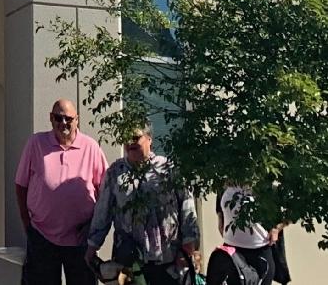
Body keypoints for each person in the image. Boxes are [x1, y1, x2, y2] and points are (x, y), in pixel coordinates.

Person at [84, 125, 197, 285]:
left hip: (167, 257)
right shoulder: (115, 172)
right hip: (129, 260)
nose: (130, 142)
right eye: (126, 139)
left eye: (135, 138)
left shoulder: (168, 169)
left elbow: (187, 205)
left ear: (149, 139)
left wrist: (189, 243)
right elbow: (103, 212)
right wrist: (92, 246)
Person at [15, 99, 107, 285]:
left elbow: (105, 191)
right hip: (42, 235)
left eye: (68, 118)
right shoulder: (36, 143)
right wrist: (27, 222)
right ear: (51, 118)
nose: (63, 122)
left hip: (80, 239)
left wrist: (93, 226)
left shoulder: (91, 147)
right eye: (58, 117)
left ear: (77, 120)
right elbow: (21, 184)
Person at [207, 188, 278, 285]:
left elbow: (289, 207)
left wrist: (277, 228)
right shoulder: (224, 180)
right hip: (232, 251)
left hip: (259, 251)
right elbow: (220, 204)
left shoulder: (263, 183)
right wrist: (220, 219)